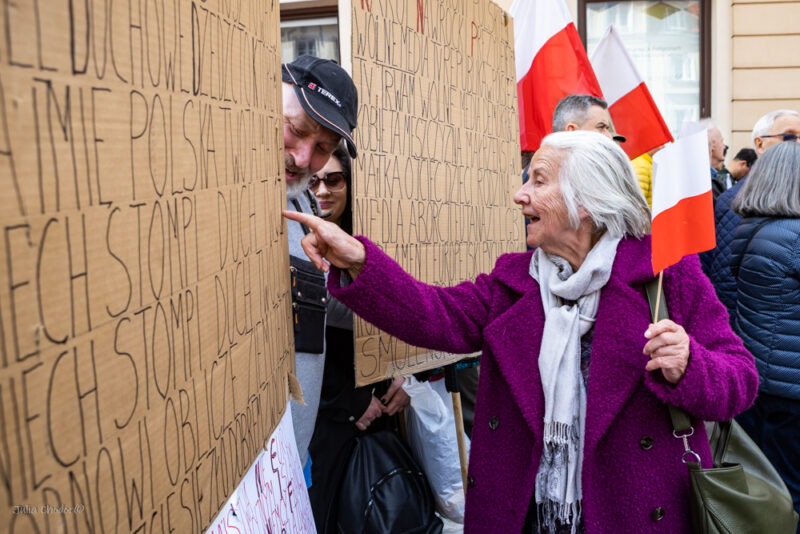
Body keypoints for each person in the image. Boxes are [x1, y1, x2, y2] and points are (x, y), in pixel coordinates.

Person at [285, 131, 758, 533]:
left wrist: (691, 364)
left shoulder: (668, 276)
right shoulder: (513, 283)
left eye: (538, 180)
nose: (520, 194)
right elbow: (433, 313)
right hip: (524, 516)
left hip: (632, 513)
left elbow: (740, 380)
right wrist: (360, 261)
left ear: (587, 201)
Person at [306, 147, 410, 532]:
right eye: (313, 180)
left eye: (334, 179)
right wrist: (351, 402)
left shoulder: (370, 241)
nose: (322, 190)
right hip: (327, 421)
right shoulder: (289, 239)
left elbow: (401, 312)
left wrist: (404, 375)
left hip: (378, 410)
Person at [281, 54, 359, 472]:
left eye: (324, 150)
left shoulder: (305, 203)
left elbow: (321, 301)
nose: (303, 158)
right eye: (295, 130)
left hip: (292, 466)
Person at [729, 141, 800, 526]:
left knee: (771, 488)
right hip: (792, 389)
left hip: (762, 380)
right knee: (792, 490)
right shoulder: (794, 235)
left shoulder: (751, 228)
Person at [701, 109, 800, 317]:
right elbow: (726, 281)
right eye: (790, 137)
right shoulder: (735, 202)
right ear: (760, 144)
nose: (797, 144)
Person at [705, 123, 730, 201]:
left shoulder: (714, 177)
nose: (724, 146)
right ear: (712, 145)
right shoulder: (709, 182)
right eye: (722, 141)